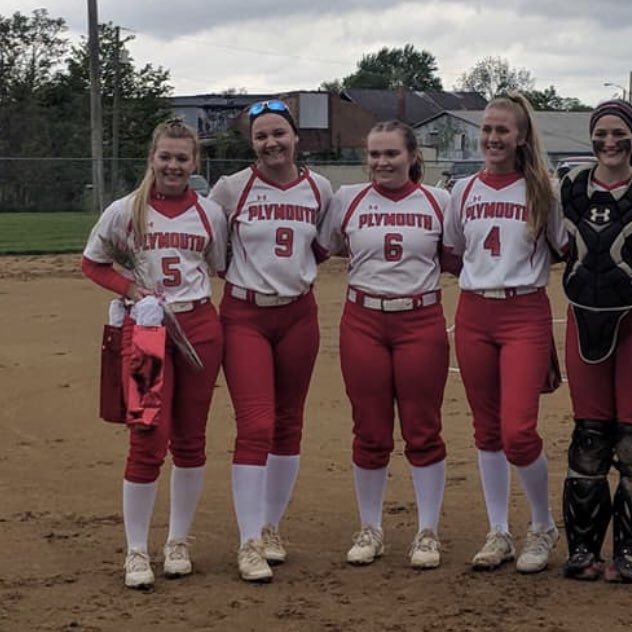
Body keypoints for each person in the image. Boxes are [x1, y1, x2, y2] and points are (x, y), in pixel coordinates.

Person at [81, 119, 227, 589]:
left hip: (200, 325)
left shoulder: (209, 214)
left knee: (190, 440)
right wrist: (130, 287)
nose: (173, 165)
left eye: (182, 158)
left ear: (195, 163)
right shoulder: (126, 211)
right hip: (146, 330)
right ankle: (138, 550)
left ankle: (178, 542)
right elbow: (93, 262)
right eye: (165, 156)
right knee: (147, 438)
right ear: (152, 158)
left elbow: (217, 264)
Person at [209, 99, 333, 582]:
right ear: (252, 143)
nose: (271, 143)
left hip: (299, 313)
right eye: (261, 136)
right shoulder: (231, 189)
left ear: (295, 137)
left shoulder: (319, 189)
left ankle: (270, 526)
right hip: (244, 315)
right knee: (256, 424)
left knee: (288, 423)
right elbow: (215, 250)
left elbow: (318, 248)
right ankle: (248, 542)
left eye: (278, 133)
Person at [443, 93, 568, 574]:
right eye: (487, 130)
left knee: (519, 430)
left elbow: (562, 248)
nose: (493, 139)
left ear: (520, 136)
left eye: (503, 130)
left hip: (524, 312)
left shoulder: (542, 190)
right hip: (475, 312)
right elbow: (454, 252)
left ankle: (542, 525)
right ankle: (498, 530)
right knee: (487, 430)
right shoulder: (464, 190)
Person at [320, 121, 451, 569]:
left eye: (391, 154)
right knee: (370, 429)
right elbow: (326, 247)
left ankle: (427, 531)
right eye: (374, 154)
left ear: (413, 156)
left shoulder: (438, 200)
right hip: (363, 320)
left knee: (422, 427)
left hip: (420, 318)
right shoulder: (348, 198)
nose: (381, 163)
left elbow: (454, 257)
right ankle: (370, 527)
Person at [557, 100, 632, 583]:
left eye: (619, 134)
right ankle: (583, 549)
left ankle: (630, 551)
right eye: (601, 134)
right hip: (585, 316)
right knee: (588, 438)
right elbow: (556, 244)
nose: (609, 143)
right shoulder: (568, 185)